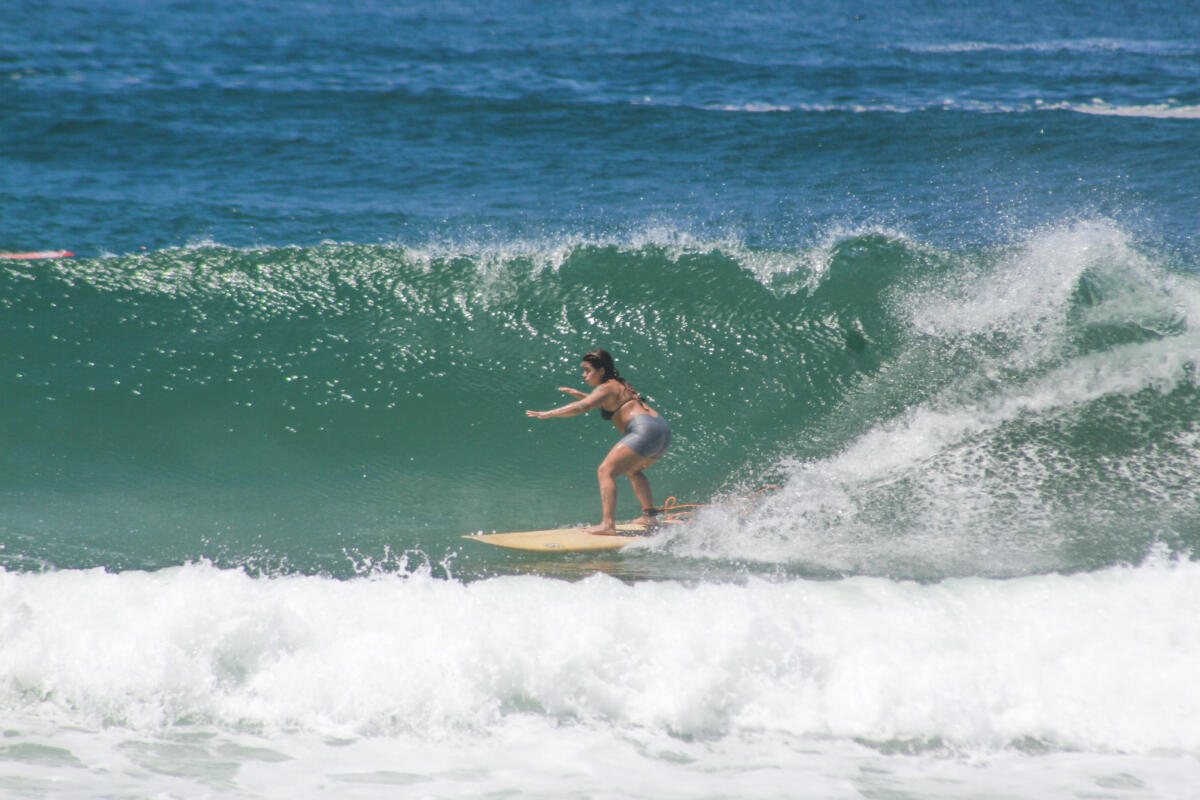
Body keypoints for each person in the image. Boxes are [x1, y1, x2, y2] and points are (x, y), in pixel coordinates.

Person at [525, 349, 672, 534]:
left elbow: (582, 408)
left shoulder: (606, 387)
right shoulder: (619, 384)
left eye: (588, 370)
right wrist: (581, 394)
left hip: (643, 429)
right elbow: (605, 403)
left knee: (605, 470)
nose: (584, 375)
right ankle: (650, 515)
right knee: (633, 470)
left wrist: (548, 414)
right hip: (661, 429)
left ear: (601, 371)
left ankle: (607, 525)